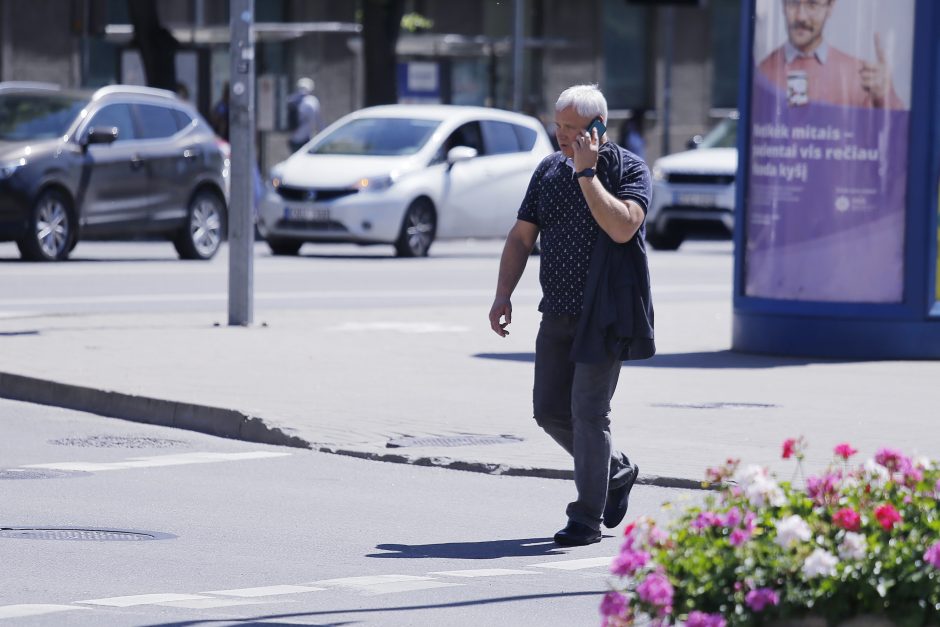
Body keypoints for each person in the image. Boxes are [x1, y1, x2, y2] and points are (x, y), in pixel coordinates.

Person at [488, 84, 654, 547]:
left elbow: (623, 227)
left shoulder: (629, 170)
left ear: (597, 129)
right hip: (555, 312)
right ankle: (616, 471)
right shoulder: (548, 170)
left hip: (605, 314)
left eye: (571, 129)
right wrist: (503, 295)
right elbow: (522, 238)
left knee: (588, 412)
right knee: (548, 411)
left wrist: (587, 175)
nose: (560, 135)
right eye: (558, 125)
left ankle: (586, 517)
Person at [757, 0, 903, 109]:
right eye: (793, 3)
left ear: (830, 7)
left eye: (812, 4)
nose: (801, 16)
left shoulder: (858, 75)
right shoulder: (761, 73)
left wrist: (885, 94)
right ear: (783, 5)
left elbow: (897, 136)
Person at [287, 77, 323, 153]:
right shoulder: (312, 101)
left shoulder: (291, 99)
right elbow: (318, 121)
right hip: (306, 139)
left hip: (293, 138)